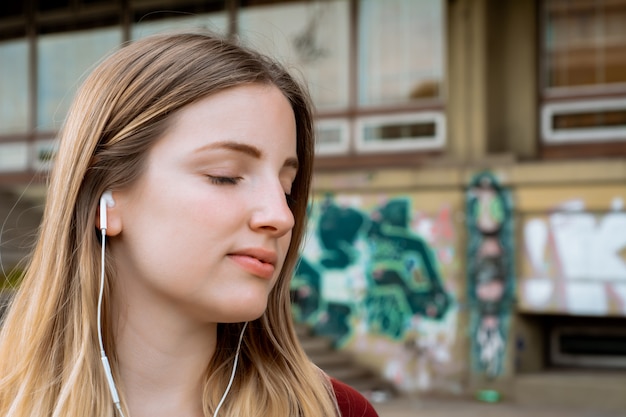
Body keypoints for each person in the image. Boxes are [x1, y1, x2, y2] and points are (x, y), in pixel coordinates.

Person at [0, 31, 379, 417]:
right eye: (225, 175)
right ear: (105, 197)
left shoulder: (338, 412)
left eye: (287, 188)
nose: (281, 217)